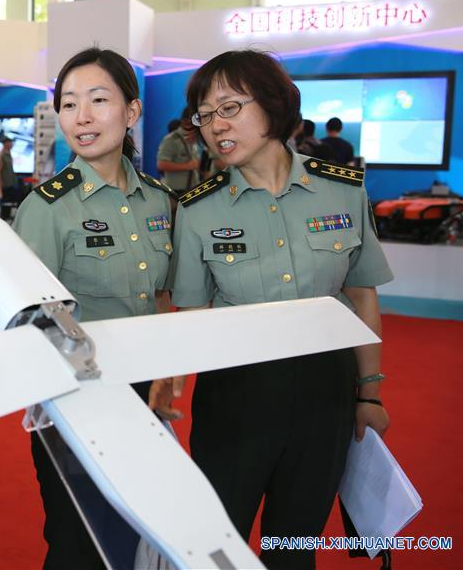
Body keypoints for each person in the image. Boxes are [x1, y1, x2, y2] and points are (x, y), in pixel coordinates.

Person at [169, 50, 392, 569]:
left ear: (273, 105)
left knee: (293, 548)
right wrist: (169, 382)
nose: (214, 126)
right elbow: (193, 312)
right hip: (236, 397)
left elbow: (361, 294)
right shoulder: (200, 210)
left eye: (229, 108)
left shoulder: (342, 191)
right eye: (205, 115)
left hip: (325, 397)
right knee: (213, 546)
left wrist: (370, 393)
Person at [13, 48, 179, 570]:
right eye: (69, 104)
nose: (81, 117)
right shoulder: (46, 209)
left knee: (137, 536)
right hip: (75, 402)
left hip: (144, 395)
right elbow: (24, 325)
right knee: (78, 544)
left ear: (131, 112)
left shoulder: (159, 201)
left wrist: (164, 374)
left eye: (99, 100)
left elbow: (161, 298)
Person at [156, 106, 208, 193]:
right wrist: (187, 166)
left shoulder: (194, 140)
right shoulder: (171, 139)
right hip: (176, 191)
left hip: (193, 189)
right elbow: (161, 165)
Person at [0, 135, 20, 220]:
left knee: (9, 199)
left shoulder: (8, 153)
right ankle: (4, 216)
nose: (11, 144)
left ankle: (7, 215)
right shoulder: (2, 155)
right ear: (5, 144)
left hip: (10, 180)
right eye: (9, 142)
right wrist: (0, 181)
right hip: (5, 181)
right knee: (5, 200)